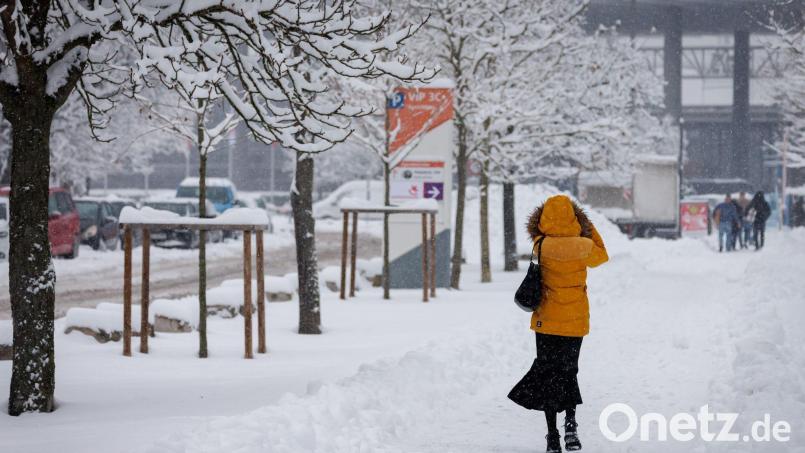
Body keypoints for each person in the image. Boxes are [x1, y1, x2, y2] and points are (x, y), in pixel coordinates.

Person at [508, 195, 608, 453]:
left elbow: (537, 241)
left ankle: (552, 437)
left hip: (547, 321)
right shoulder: (584, 245)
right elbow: (602, 256)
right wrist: (586, 225)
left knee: (549, 375)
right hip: (574, 321)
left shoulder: (540, 245)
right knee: (568, 371)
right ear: (574, 217)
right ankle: (571, 425)